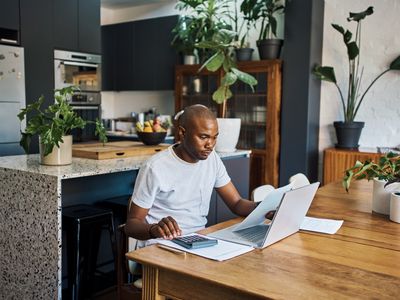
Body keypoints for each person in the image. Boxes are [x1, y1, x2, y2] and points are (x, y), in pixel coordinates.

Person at [125, 104, 266, 245]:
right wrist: (154, 229)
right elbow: (131, 225)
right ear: (182, 132)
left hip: (199, 241)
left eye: (214, 137)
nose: (210, 145)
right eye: (203, 137)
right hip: (161, 246)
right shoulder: (155, 167)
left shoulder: (213, 159)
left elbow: (236, 203)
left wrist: (266, 208)